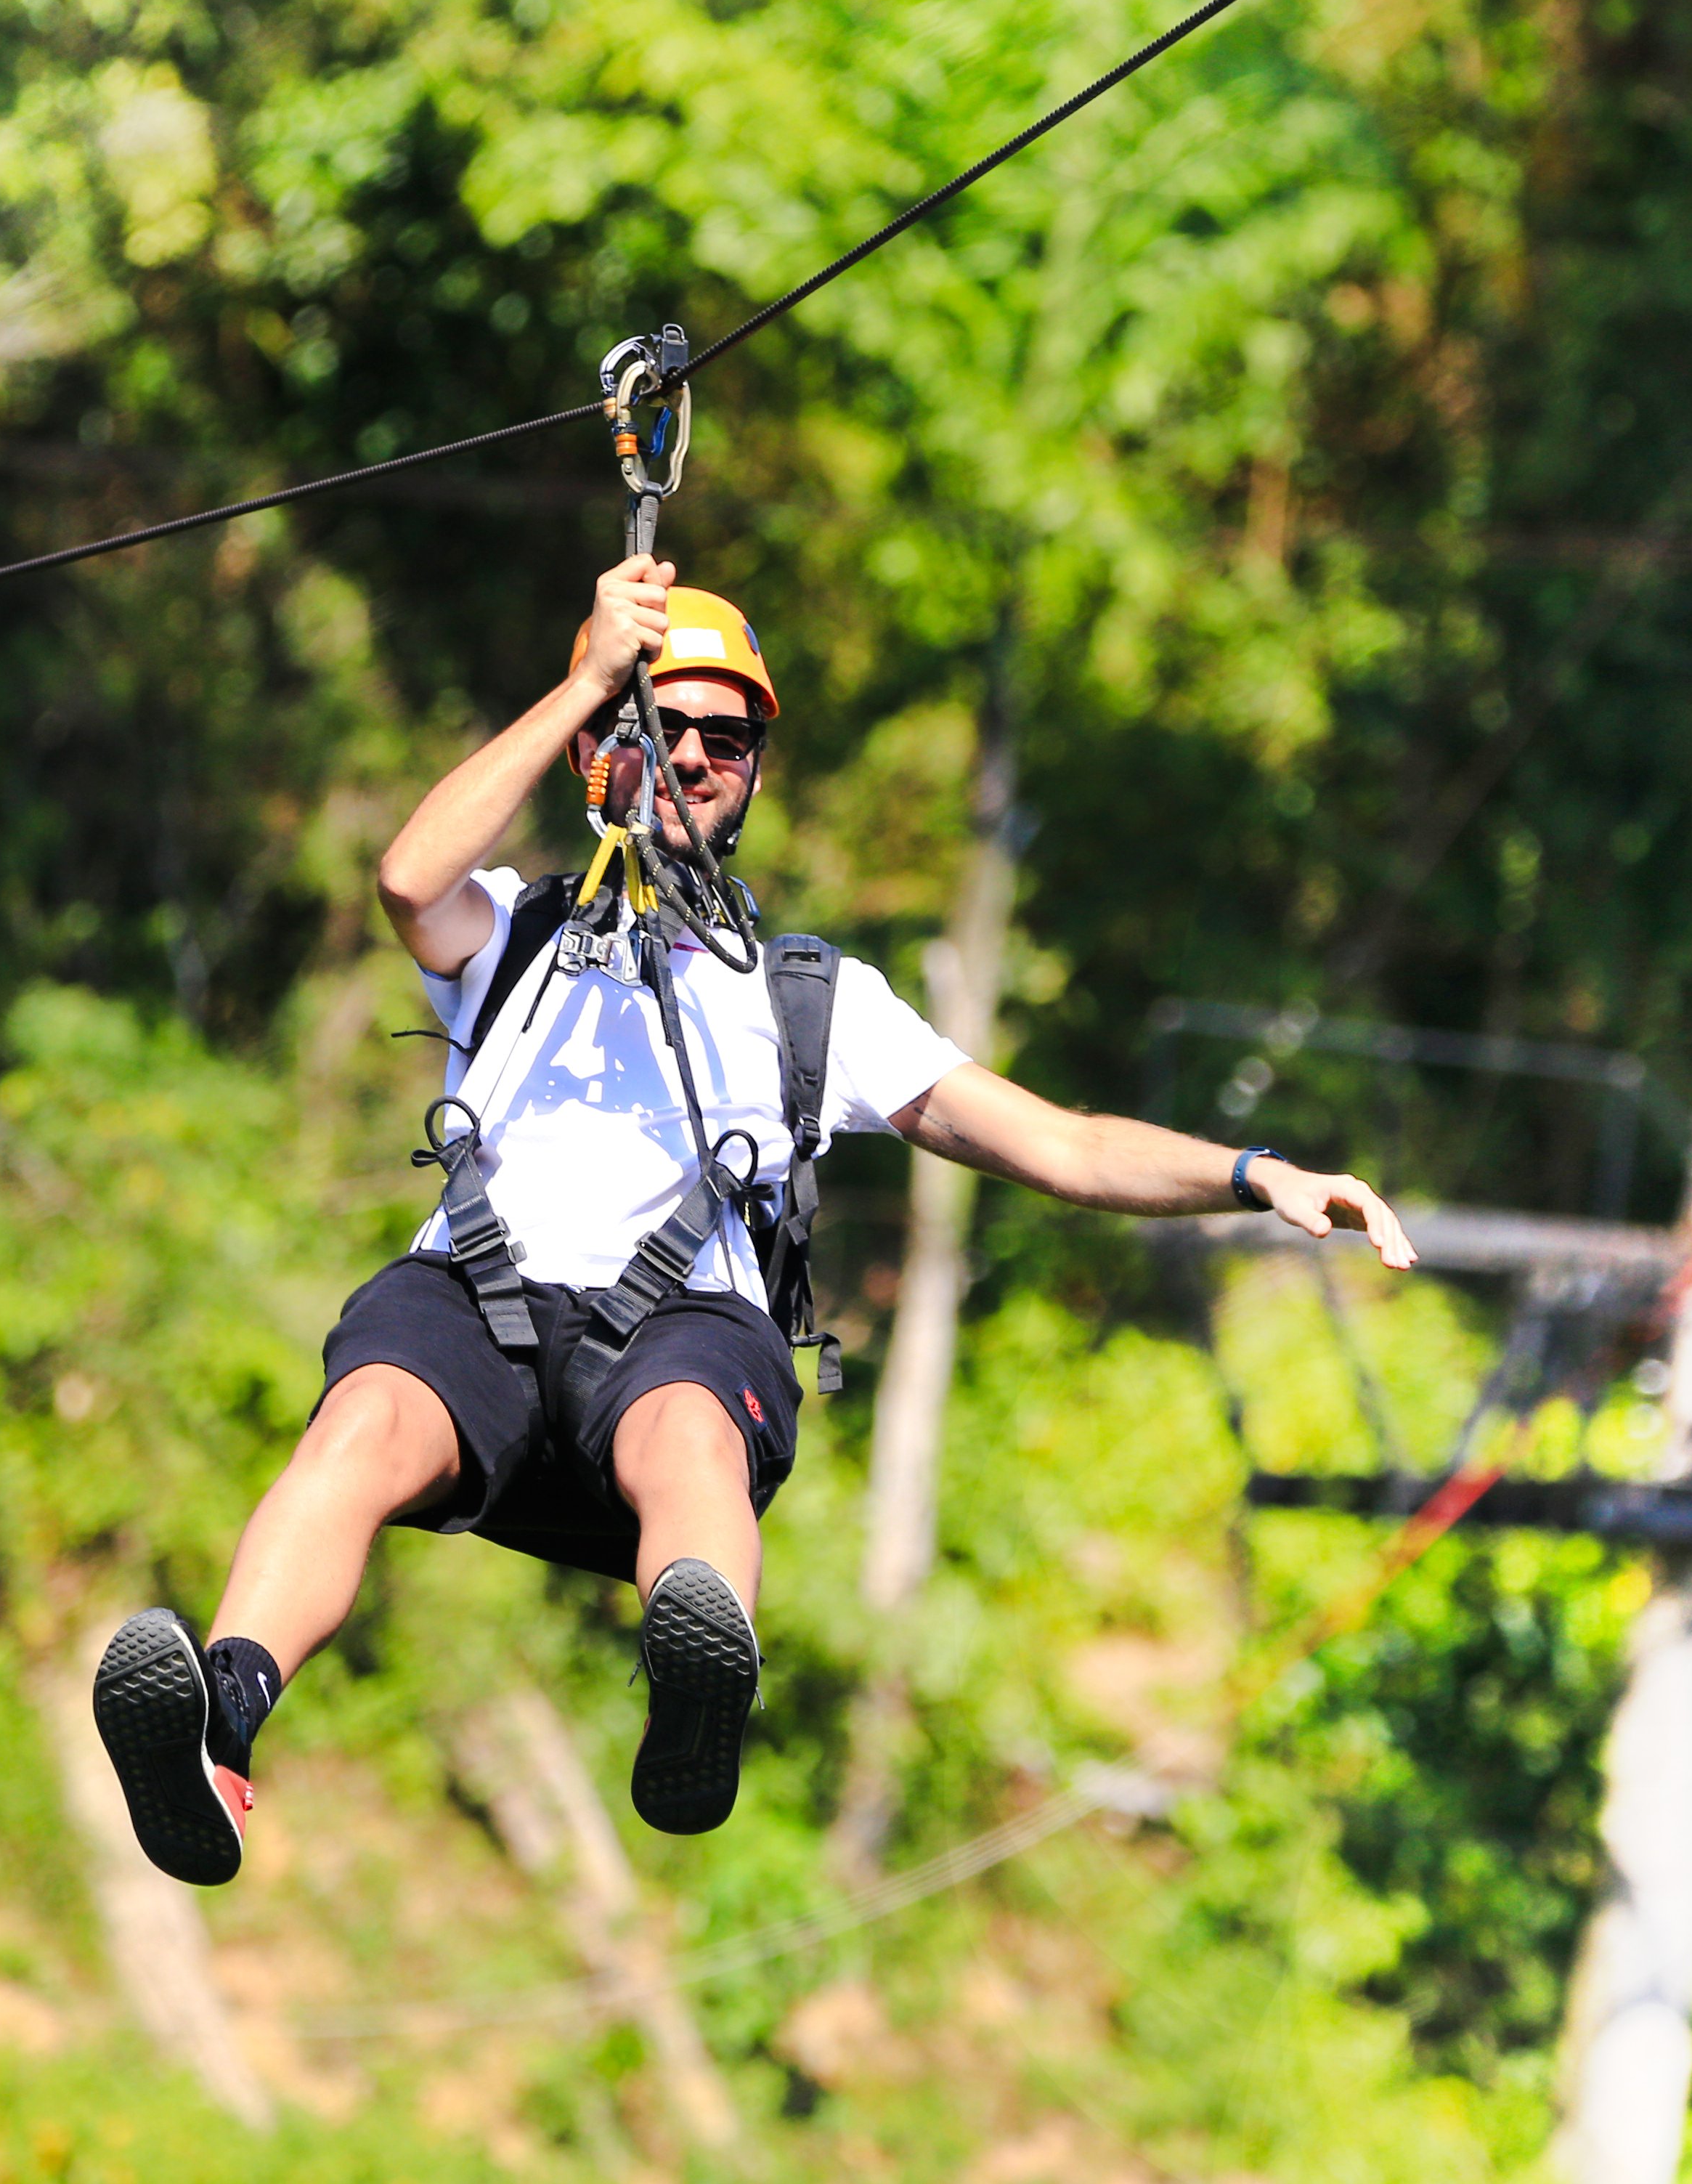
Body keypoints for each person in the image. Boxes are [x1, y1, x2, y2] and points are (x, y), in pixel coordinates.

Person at [91, 555, 1420, 1884]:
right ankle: (223, 1724)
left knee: (685, 1430)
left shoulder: (812, 1002)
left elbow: (1059, 1145)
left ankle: (699, 1676)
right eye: (658, 728)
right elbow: (405, 877)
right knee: (368, 1412)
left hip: (672, 1333)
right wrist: (581, 686)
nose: (692, 758)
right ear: (601, 750)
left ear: (755, 774)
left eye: (724, 739)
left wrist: (1257, 1174)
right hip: (481, 1322)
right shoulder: (511, 933)